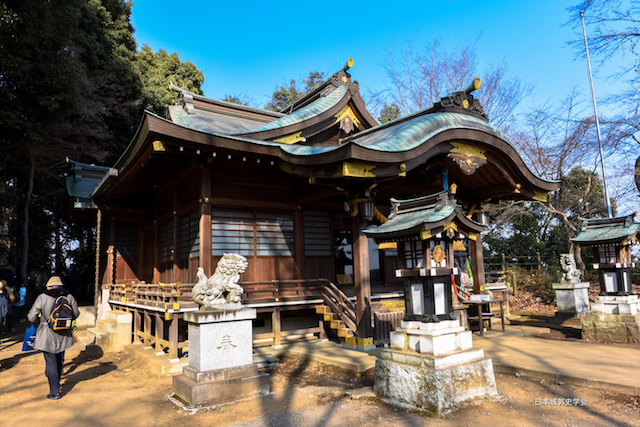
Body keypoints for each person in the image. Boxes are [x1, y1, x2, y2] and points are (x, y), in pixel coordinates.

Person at [27, 276, 79, 400]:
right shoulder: (68, 296)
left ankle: (55, 391)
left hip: (47, 333)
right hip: (64, 334)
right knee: (58, 359)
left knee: (50, 362)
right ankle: (57, 380)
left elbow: (31, 316)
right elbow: (76, 313)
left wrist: (38, 321)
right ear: (61, 286)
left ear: (48, 286)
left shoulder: (42, 297)